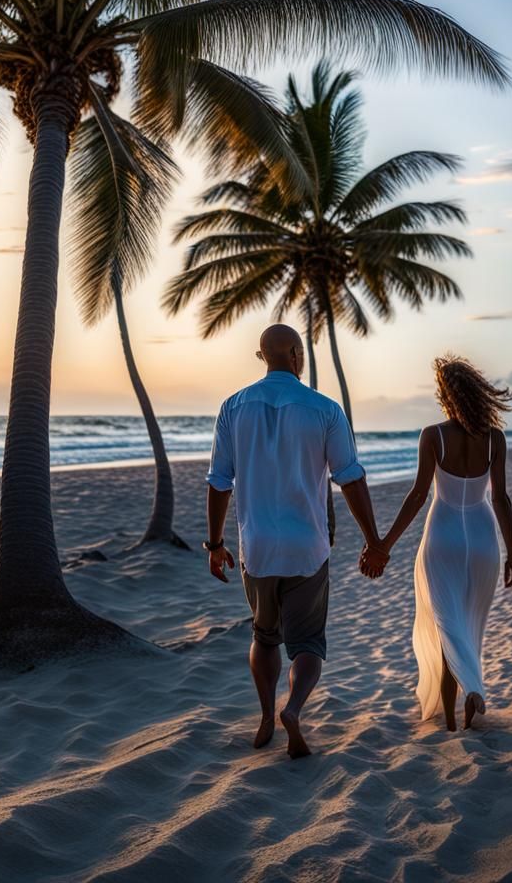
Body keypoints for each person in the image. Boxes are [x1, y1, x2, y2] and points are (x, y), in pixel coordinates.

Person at [205, 324, 382, 759]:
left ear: (263, 356)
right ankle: (295, 708)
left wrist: (214, 545)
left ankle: (267, 715)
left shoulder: (233, 407)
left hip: (258, 549)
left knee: (265, 637)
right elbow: (350, 478)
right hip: (308, 547)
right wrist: (373, 540)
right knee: (307, 642)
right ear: (297, 354)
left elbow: (218, 482)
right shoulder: (324, 409)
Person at [363, 355, 512, 731]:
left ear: (446, 396)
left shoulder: (433, 435)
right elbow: (500, 498)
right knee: (467, 624)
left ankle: (457, 710)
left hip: (443, 535)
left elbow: (417, 496)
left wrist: (384, 543)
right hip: (483, 539)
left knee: (447, 626)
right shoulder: (495, 439)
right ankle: (471, 692)